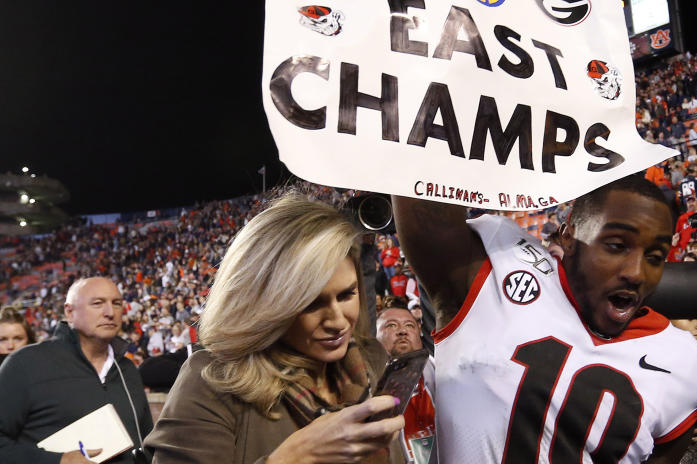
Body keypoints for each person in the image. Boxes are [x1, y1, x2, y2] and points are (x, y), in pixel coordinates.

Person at [392, 173, 697, 464]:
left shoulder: (691, 368)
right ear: (568, 237)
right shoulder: (499, 265)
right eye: (615, 245)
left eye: (655, 256)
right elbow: (420, 177)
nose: (636, 272)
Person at [144, 194, 405, 464]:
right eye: (311, 303)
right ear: (264, 302)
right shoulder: (213, 382)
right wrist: (294, 457)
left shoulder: (371, 362)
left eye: (346, 295)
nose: (337, 321)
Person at [0, 277, 154, 464]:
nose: (110, 312)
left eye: (117, 303)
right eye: (97, 303)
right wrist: (57, 461)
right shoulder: (24, 365)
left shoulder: (127, 370)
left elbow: (147, 441)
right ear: (70, 312)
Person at [375, 306, 436, 464]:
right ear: (374, 336)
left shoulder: (440, 369)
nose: (402, 331)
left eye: (410, 325)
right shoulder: (367, 384)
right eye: (391, 325)